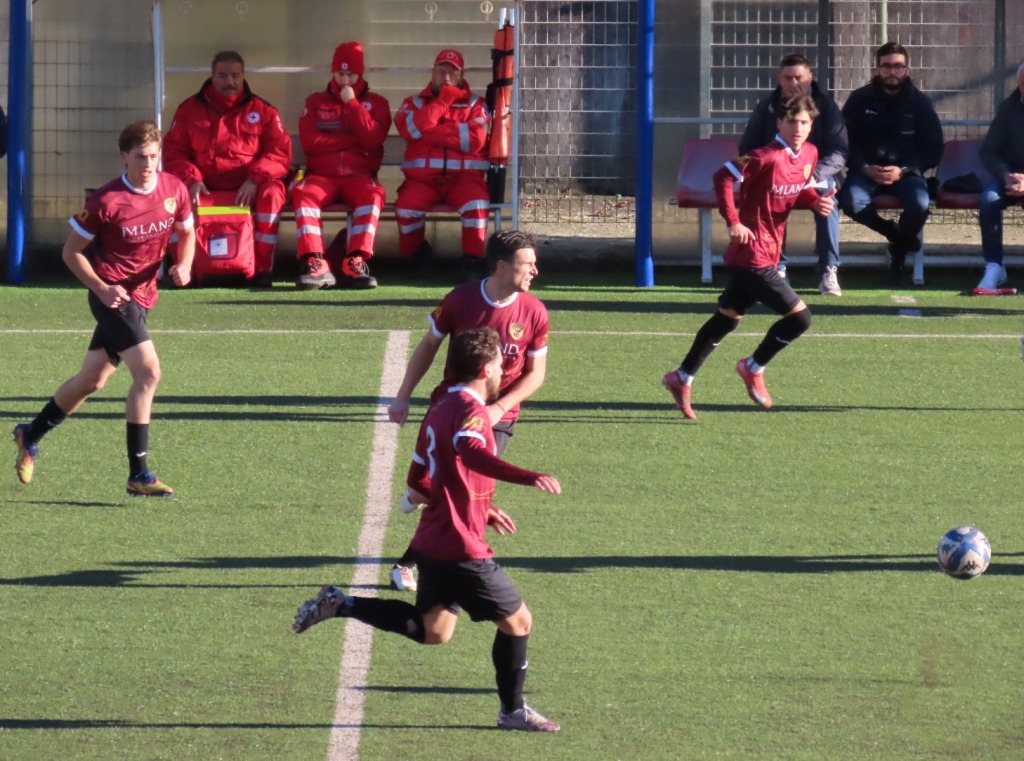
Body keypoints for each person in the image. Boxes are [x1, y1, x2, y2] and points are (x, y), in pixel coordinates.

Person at [293, 327, 562, 733]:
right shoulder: (472, 412)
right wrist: (527, 476)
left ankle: (340, 604)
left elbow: (418, 481)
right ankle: (513, 711)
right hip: (460, 547)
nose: (502, 372)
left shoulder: (438, 409)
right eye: (499, 365)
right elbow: (471, 452)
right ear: (485, 369)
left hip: (432, 542)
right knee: (519, 622)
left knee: (434, 631)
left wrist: (480, 507)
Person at [12, 121, 194, 495]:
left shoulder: (174, 189)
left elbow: (188, 231)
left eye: (154, 156)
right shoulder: (106, 202)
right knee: (149, 372)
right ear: (124, 156)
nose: (148, 164)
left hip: (143, 296)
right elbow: (71, 253)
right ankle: (138, 474)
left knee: (91, 380)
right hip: (112, 296)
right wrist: (101, 287)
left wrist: (186, 264)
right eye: (140, 157)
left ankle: (31, 434)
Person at [387, 229, 549, 592]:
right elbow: (429, 346)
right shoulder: (460, 300)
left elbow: (536, 373)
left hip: (496, 419)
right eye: (528, 264)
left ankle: (410, 561)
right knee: (443, 492)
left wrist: (499, 407)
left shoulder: (535, 311)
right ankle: (423, 506)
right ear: (503, 266)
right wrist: (402, 396)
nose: (535, 271)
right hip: (449, 410)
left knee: (461, 493)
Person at [662, 94, 833, 419]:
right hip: (753, 253)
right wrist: (733, 221)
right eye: (791, 121)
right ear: (779, 123)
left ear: (812, 125)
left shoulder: (810, 154)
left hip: (767, 251)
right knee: (800, 318)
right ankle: (753, 367)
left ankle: (681, 377)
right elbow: (722, 177)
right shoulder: (764, 156)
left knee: (727, 318)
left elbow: (799, 190)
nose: (798, 128)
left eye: (804, 122)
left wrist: (815, 201)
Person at [163, 50, 291, 288]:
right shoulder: (188, 110)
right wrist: (191, 180)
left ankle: (262, 269)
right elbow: (173, 152)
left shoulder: (263, 111)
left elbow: (280, 152)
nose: (229, 81)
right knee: (173, 194)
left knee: (273, 193)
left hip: (249, 186)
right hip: (205, 186)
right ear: (212, 76)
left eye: (235, 76)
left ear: (243, 76)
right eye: (222, 75)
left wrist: (255, 179)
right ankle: (185, 269)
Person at [739, 53, 848, 295]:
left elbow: (839, 151)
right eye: (788, 78)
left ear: (810, 78)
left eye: (799, 77)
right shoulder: (766, 107)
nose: (794, 83)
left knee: (827, 202)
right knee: (771, 198)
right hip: (777, 176)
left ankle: (829, 269)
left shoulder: (827, 107)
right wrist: (766, 170)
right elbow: (747, 149)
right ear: (780, 78)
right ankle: (777, 267)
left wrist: (814, 174)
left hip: (816, 175)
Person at [839, 42, 944, 283]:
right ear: (877, 69)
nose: (892, 72)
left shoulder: (921, 103)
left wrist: (904, 170)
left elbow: (933, 148)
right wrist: (864, 167)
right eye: (886, 66)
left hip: (906, 174)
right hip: (865, 173)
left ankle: (898, 250)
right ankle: (895, 234)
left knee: (919, 204)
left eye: (898, 66)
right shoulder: (859, 99)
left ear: (907, 70)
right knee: (852, 201)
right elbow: (845, 142)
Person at [292, 41, 391, 290]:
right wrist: (352, 141)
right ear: (333, 72)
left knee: (373, 195)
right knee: (303, 194)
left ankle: (354, 261)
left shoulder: (377, 103)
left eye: (351, 75)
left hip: (359, 176)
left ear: (361, 74)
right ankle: (316, 262)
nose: (345, 80)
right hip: (322, 176)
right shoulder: (315, 102)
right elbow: (311, 143)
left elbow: (373, 139)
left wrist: (353, 105)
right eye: (340, 73)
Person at [394, 49, 492, 282]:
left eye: (452, 73)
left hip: (465, 180)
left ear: (461, 75)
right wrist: (443, 101)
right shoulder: (413, 103)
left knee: (477, 204)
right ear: (432, 72)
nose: (446, 78)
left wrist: (430, 133)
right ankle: (418, 254)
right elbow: (411, 131)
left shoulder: (476, 104)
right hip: (422, 182)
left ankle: (472, 260)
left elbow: (475, 139)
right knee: (406, 207)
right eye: (441, 72)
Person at [976, 61, 1024, 290]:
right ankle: (994, 265)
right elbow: (989, 151)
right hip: (1009, 177)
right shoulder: (1008, 108)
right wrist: (1006, 176)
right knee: (989, 199)